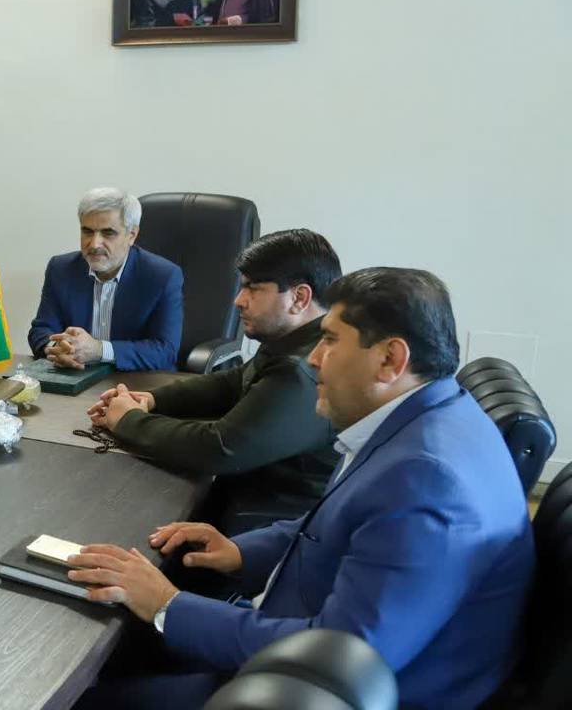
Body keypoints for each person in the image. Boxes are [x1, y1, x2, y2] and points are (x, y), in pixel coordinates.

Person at [69, 268, 535, 709]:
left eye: (329, 340)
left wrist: (167, 604)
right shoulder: (433, 417)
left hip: (314, 690)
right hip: (299, 640)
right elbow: (336, 523)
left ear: (390, 359)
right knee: (120, 640)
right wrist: (240, 551)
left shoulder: (426, 481)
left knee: (84, 695)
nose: (313, 358)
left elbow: (338, 658)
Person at [88, 229, 341, 534]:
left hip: (266, 524)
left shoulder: (300, 369)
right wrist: (153, 399)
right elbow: (234, 382)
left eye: (253, 289)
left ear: (299, 298)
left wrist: (128, 421)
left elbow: (218, 448)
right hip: (248, 494)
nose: (238, 300)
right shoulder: (297, 341)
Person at [28, 188, 184, 372]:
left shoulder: (162, 276)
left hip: (137, 382)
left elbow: (165, 351)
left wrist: (100, 350)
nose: (94, 244)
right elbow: (41, 329)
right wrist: (58, 348)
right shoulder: (61, 269)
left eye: (108, 233)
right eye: (87, 231)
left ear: (132, 235)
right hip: (76, 377)